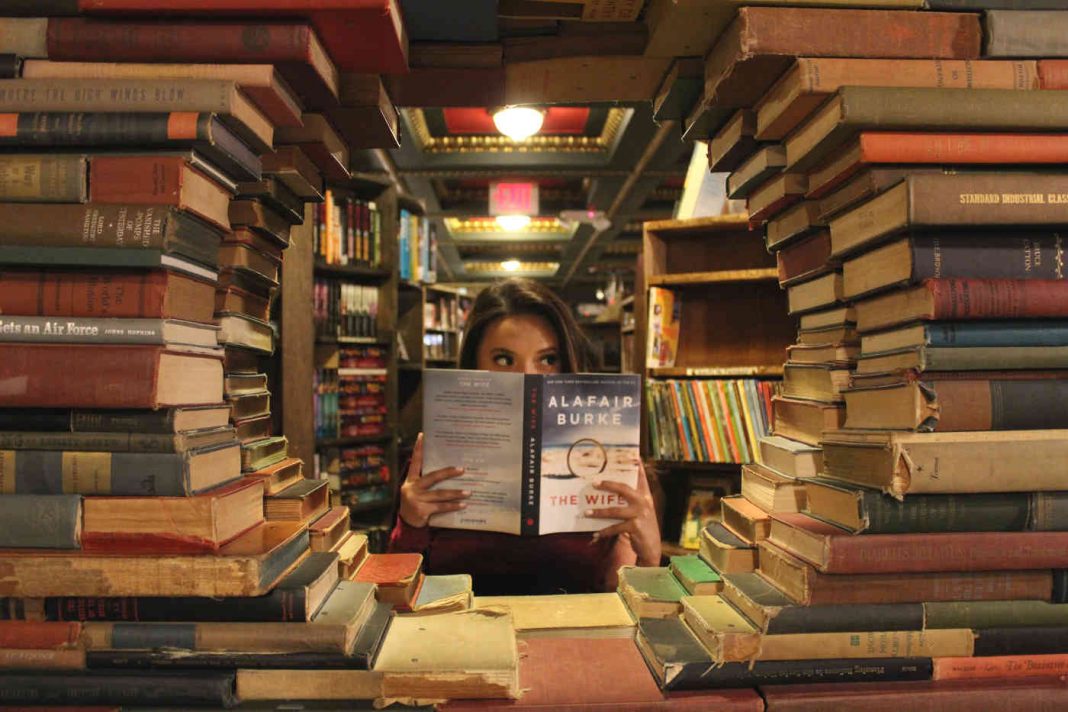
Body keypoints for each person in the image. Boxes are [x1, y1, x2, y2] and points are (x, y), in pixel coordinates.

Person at [388, 278, 661, 595]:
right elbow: (397, 591)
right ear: (474, 367)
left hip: (569, 635)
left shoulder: (610, 458)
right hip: (459, 634)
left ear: (567, 363)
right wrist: (409, 524)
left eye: (547, 360)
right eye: (504, 360)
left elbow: (625, 596)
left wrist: (650, 554)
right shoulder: (432, 463)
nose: (528, 377)